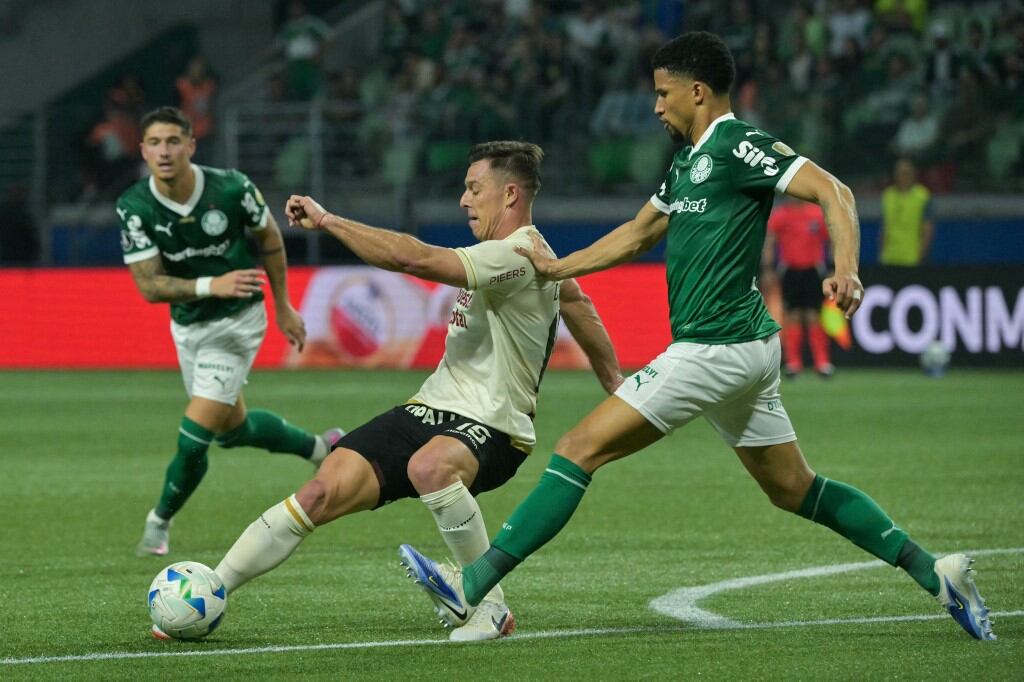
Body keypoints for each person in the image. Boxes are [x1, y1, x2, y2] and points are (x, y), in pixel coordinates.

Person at [399, 32, 995, 642]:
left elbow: (834, 192)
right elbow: (636, 234)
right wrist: (557, 268)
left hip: (717, 345)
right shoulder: (688, 162)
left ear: (698, 91)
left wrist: (846, 269)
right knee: (793, 488)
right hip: (740, 350)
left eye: (663, 93)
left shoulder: (739, 145)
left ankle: (471, 586)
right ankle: (936, 573)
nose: (656, 107)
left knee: (579, 448)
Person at [204, 141, 623, 643]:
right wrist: (611, 378)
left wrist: (328, 220)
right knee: (320, 490)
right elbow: (577, 300)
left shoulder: (515, 253)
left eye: (473, 189)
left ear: (509, 194)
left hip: (495, 425)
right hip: (431, 407)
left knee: (430, 467)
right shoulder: (538, 256)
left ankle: (489, 607)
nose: (464, 201)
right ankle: (210, 591)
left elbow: (414, 259)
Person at [116, 107, 342, 557]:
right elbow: (148, 285)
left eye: (173, 141)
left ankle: (158, 523)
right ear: (142, 150)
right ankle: (320, 447)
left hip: (237, 323)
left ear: (191, 145)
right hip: (188, 327)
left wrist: (282, 305)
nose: (164, 151)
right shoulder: (134, 206)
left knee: (194, 434)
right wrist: (209, 285)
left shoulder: (232, 188)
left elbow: (271, 240)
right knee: (230, 430)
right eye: (155, 143)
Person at [763, 198, 833, 377]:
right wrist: (768, 268)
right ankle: (793, 363)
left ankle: (822, 362)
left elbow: (831, 240)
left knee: (813, 316)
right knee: (792, 316)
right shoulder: (780, 215)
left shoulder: (817, 213)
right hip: (790, 271)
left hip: (813, 271)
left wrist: (833, 267)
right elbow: (770, 241)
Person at [879, 157, 934, 266]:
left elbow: (927, 229)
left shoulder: (923, 196)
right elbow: (884, 228)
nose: (903, 177)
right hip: (889, 257)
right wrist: (882, 253)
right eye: (900, 173)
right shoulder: (887, 196)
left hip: (912, 258)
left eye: (906, 173)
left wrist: (920, 255)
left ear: (914, 174)